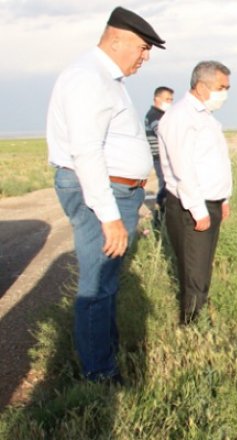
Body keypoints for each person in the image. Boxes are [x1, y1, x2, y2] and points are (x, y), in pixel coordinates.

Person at [46, 6, 164, 383]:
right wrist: (108, 214)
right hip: (102, 192)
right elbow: (86, 150)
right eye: (142, 48)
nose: (145, 57)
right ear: (116, 39)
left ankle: (105, 356)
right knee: (97, 284)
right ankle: (99, 374)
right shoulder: (88, 77)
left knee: (107, 280)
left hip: (116, 191)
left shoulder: (107, 78)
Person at [158, 61, 232, 325]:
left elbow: (214, 161)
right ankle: (190, 328)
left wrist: (224, 198)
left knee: (202, 269)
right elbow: (183, 169)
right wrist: (198, 210)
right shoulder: (181, 117)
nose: (225, 93)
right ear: (202, 85)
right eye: (221, 87)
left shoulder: (205, 117)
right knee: (194, 272)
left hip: (209, 203)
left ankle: (199, 319)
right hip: (191, 207)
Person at [145, 86, 174, 226]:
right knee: (166, 186)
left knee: (167, 185)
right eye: (167, 99)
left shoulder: (163, 116)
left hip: (165, 157)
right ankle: (161, 217)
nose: (170, 102)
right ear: (157, 98)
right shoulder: (154, 116)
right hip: (161, 158)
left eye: (171, 99)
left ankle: (164, 214)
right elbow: (164, 134)